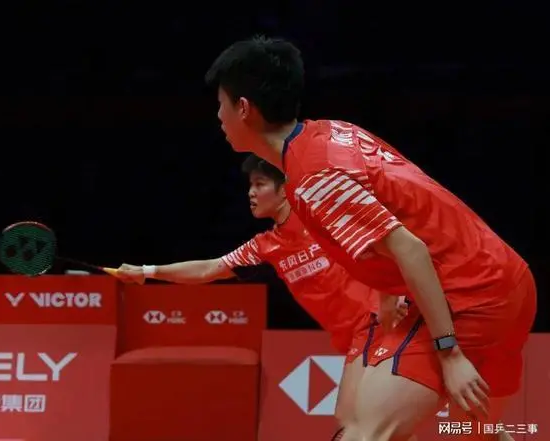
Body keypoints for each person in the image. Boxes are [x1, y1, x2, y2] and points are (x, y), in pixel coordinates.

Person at [203, 36, 536, 441]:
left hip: (469, 294)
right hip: (508, 276)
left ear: (243, 108)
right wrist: (388, 292)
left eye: (220, 104)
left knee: (364, 432)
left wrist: (448, 351)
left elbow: (410, 249)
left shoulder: (314, 177)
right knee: (480, 433)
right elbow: (398, 209)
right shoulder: (332, 133)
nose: (218, 116)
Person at [116, 154, 410, 438]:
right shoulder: (266, 246)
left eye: (260, 184)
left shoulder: (321, 219)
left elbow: (383, 241)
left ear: (284, 190)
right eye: (250, 185)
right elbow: (208, 269)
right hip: (350, 337)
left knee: (355, 421)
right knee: (382, 427)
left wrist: (392, 294)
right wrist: (148, 271)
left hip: (377, 325)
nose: (251, 192)